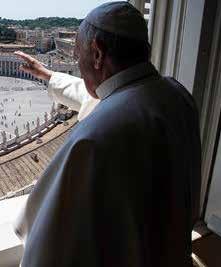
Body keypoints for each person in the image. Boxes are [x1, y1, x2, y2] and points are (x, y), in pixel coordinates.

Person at [13, 2, 201, 267]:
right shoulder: (177, 95)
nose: (78, 65)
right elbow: (101, 95)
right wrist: (48, 75)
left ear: (98, 54)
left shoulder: (93, 137)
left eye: (78, 57)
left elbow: (47, 242)